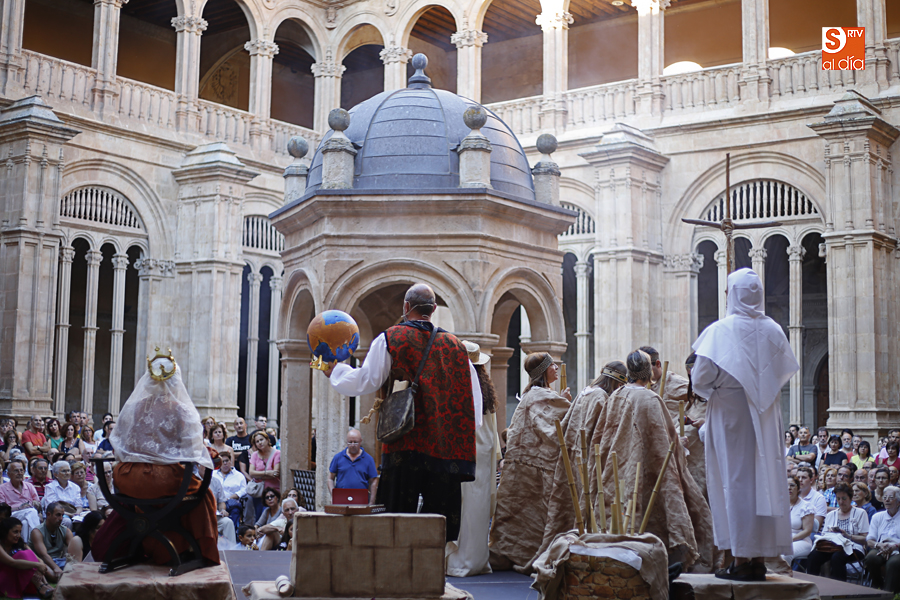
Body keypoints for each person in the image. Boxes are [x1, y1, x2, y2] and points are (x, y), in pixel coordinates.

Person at [326, 283, 481, 544]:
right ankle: (433, 579)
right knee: (437, 528)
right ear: (433, 310)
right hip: (446, 452)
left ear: (406, 307)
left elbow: (367, 379)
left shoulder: (391, 338)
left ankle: (398, 577)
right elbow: (473, 402)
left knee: (397, 523)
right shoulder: (457, 347)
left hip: (405, 445)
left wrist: (336, 373)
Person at [692, 268, 800, 581]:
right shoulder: (775, 330)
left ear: (732, 294)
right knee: (763, 482)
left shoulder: (719, 331)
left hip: (730, 415)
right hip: (765, 414)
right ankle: (759, 560)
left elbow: (700, 379)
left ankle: (740, 559)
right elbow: (782, 371)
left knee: (735, 483)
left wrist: (722, 390)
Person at [586, 349, 715, 571]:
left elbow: (602, 434)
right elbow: (665, 437)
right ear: (647, 372)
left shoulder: (616, 395)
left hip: (617, 468)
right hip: (647, 468)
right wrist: (678, 448)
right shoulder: (650, 398)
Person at [91, 352, 220, 567]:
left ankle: (157, 547)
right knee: (203, 494)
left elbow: (122, 444)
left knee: (160, 499)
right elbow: (192, 449)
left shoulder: (134, 406)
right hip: (162, 480)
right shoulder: (182, 409)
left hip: (127, 478)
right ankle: (191, 550)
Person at [535, 360, 628, 566]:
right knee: (586, 508)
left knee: (572, 505)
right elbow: (603, 432)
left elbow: (566, 424)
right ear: (617, 383)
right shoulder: (602, 397)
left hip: (572, 456)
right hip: (588, 460)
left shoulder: (586, 391)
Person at [489, 351, 570, 573]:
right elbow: (553, 432)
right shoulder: (538, 396)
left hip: (527, 466)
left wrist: (562, 402)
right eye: (552, 364)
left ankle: (516, 551)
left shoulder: (537, 395)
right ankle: (523, 552)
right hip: (536, 467)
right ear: (543, 370)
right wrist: (569, 407)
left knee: (525, 510)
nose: (556, 367)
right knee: (531, 511)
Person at [446, 341, 500, 577]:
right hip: (484, 453)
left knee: (460, 505)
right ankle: (478, 560)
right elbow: (493, 427)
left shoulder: (454, 387)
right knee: (478, 506)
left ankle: (459, 561)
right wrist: (495, 455)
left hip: (461, 453)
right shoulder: (487, 391)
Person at [806, 483, 869, 581]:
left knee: (837, 558)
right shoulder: (831, 514)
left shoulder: (860, 513)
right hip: (832, 546)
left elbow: (865, 539)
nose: (840, 502)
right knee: (813, 556)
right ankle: (811, 584)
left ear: (851, 498)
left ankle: (839, 590)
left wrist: (848, 536)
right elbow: (824, 534)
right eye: (838, 498)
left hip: (853, 546)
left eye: (844, 499)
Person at [0, 517, 55, 598]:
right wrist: (37, 565)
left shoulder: (20, 543)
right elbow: (12, 562)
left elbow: (37, 558)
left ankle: (44, 585)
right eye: (15, 532)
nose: (18, 535)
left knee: (28, 553)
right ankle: (40, 586)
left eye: (20, 532)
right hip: (4, 580)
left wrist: (41, 564)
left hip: (20, 578)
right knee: (22, 555)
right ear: (5, 532)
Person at [864, 485, 900, 591]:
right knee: (871, 558)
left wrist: (894, 546)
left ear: (898, 502)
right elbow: (869, 540)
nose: (887, 500)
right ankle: (877, 587)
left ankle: (890, 593)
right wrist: (879, 545)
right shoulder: (877, 516)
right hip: (880, 547)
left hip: (898, 549)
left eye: (891, 497)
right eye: (885, 497)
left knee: (894, 563)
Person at [328, 429, 378, 504]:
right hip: (341, 500)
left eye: (355, 442)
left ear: (361, 441)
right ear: (346, 442)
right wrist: (334, 495)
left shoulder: (368, 459)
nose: (352, 445)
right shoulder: (338, 457)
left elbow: (374, 481)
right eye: (350, 442)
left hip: (361, 500)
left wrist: (371, 502)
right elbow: (330, 478)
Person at [0, 462, 41, 543]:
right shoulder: (2, 488)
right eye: (16, 471)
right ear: (8, 474)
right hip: (12, 515)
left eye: (21, 470)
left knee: (25, 523)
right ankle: (38, 541)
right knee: (31, 511)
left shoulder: (29, 486)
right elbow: (2, 511)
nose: (19, 473)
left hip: (29, 515)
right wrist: (19, 508)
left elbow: (38, 505)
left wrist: (36, 504)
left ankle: (26, 546)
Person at [30, 502, 71, 580]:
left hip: (59, 561)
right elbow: (43, 555)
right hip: (43, 562)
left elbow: (73, 550)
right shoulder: (37, 532)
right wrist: (56, 568)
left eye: (62, 515)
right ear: (48, 514)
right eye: (58, 515)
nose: (61, 518)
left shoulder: (66, 531)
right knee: (53, 576)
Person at [248, 430, 280, 520]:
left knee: (271, 517)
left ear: (267, 439)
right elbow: (251, 473)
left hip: (273, 491)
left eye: (261, 440)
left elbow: (275, 472)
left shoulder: (277, 453)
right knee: (259, 517)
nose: (259, 443)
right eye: (257, 442)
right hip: (259, 491)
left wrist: (259, 475)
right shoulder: (254, 455)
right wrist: (267, 473)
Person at [213, 449, 246, 531]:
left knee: (235, 508)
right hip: (215, 502)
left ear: (231, 461)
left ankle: (232, 532)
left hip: (230, 502)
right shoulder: (212, 474)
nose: (225, 463)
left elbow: (244, 490)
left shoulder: (239, 475)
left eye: (227, 461)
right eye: (222, 461)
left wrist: (233, 496)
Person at [784, 475, 814, 562]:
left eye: (792, 485)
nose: (789, 488)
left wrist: (789, 540)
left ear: (798, 488)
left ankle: (784, 575)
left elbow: (807, 531)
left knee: (785, 554)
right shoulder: (780, 505)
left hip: (801, 541)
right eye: (786, 485)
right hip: (783, 540)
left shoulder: (806, 506)